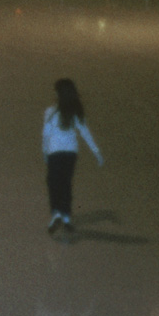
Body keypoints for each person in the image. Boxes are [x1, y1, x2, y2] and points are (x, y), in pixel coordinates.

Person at [41, 79, 104, 233]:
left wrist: (44, 152)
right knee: (66, 183)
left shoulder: (50, 112)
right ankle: (67, 216)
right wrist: (96, 152)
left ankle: (56, 213)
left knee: (53, 183)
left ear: (58, 94)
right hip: (71, 153)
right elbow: (85, 132)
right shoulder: (75, 112)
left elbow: (46, 135)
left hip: (55, 152)